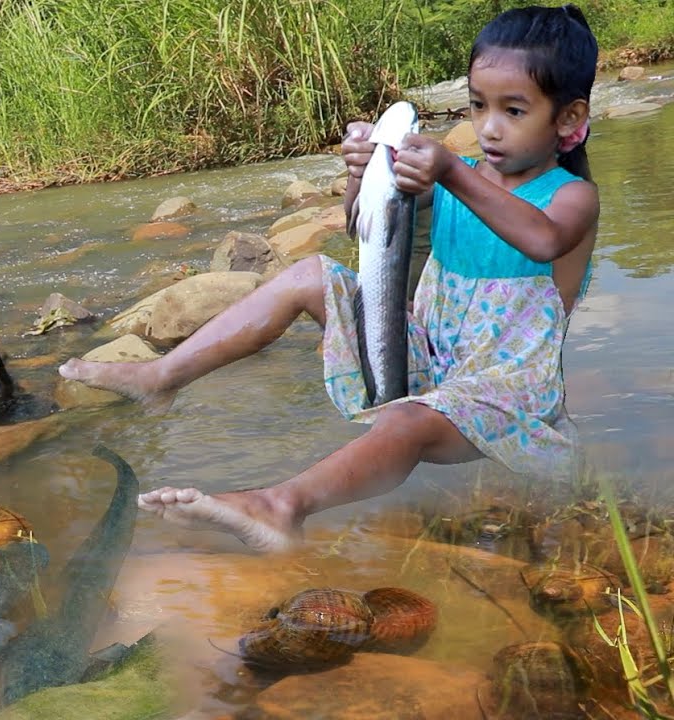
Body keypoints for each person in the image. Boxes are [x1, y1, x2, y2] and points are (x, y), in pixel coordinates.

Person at [59, 4, 599, 552]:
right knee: (309, 273)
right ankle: (162, 376)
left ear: (568, 119)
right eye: (478, 105)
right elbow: (365, 227)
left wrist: (452, 170)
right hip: (425, 359)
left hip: (504, 395)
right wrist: (364, 173)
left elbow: (544, 240)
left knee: (409, 421)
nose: (488, 127)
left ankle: (281, 506)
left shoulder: (570, 197)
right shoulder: (457, 181)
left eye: (513, 110)